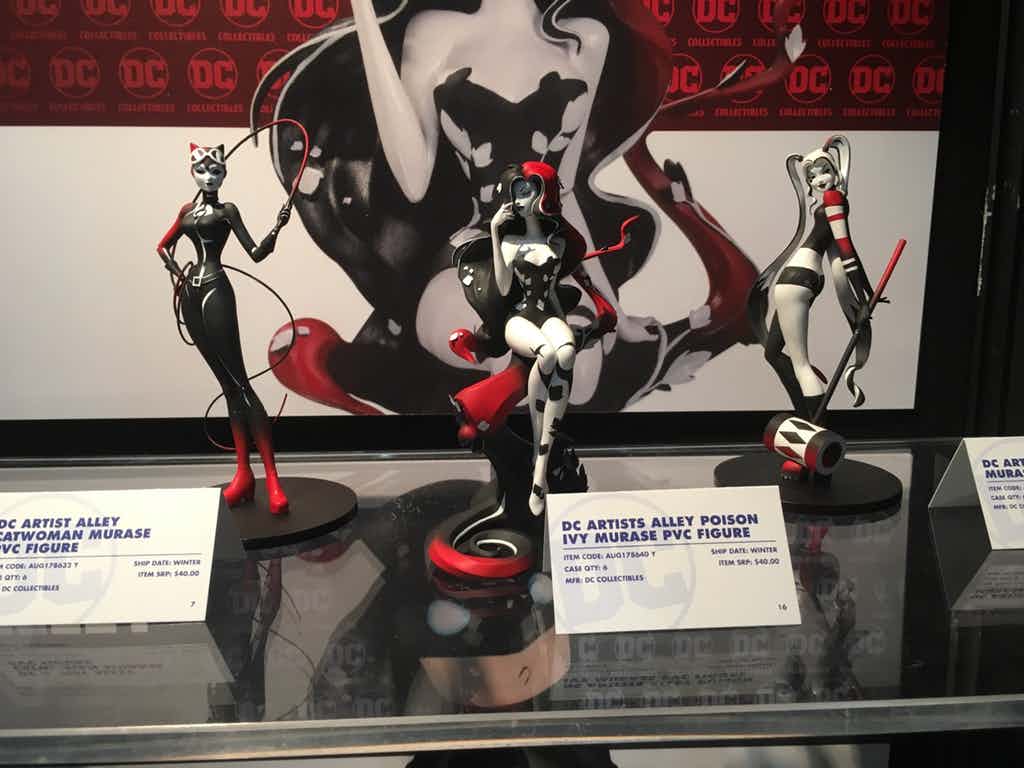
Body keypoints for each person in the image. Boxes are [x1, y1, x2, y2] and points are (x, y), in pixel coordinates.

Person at [156, 143, 292, 514]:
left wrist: (276, 228)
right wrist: (178, 273)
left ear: (224, 174)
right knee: (227, 386)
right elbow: (163, 246)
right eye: (202, 170)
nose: (209, 177)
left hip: (217, 289)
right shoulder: (186, 211)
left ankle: (273, 479)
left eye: (215, 171)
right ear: (192, 172)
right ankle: (243, 474)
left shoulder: (227, 211)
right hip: (191, 293)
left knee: (241, 383)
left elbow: (256, 253)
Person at [748, 135, 876, 424]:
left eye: (824, 170)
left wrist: (862, 297)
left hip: (796, 281)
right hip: (801, 279)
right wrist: (862, 294)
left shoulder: (833, 200)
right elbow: (840, 257)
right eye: (812, 176)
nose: (820, 180)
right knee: (773, 353)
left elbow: (846, 249)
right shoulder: (831, 205)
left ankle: (816, 428)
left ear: (836, 170)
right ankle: (804, 418)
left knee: (801, 364)